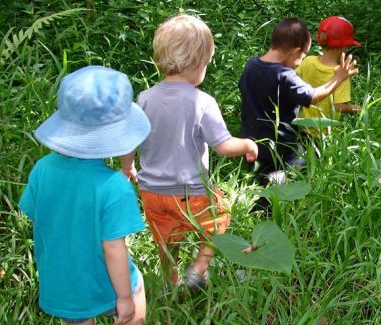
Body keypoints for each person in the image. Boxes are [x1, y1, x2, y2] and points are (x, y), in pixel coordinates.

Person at [120, 14, 258, 289]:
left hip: (152, 192)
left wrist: (127, 167)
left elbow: (129, 139)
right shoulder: (202, 102)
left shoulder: (144, 99)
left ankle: (171, 281)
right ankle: (198, 268)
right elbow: (223, 146)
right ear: (198, 63)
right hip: (190, 192)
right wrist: (247, 144)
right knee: (220, 216)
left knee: (165, 239)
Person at [19, 66, 150, 324]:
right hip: (105, 283)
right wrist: (123, 297)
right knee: (137, 291)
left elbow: (39, 217)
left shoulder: (41, 169)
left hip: (64, 285)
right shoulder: (114, 187)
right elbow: (113, 248)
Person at [239, 17, 358, 184]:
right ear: (294, 52)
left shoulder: (251, 65)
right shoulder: (285, 76)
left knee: (256, 174)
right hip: (280, 144)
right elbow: (312, 96)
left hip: (250, 140)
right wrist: (337, 79)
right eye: (303, 55)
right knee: (294, 169)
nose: (302, 60)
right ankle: (273, 193)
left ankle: (257, 194)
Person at [296, 16, 361, 136]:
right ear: (344, 47)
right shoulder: (341, 73)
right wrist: (355, 108)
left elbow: (296, 80)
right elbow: (338, 106)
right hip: (325, 134)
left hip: (303, 127)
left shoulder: (308, 61)